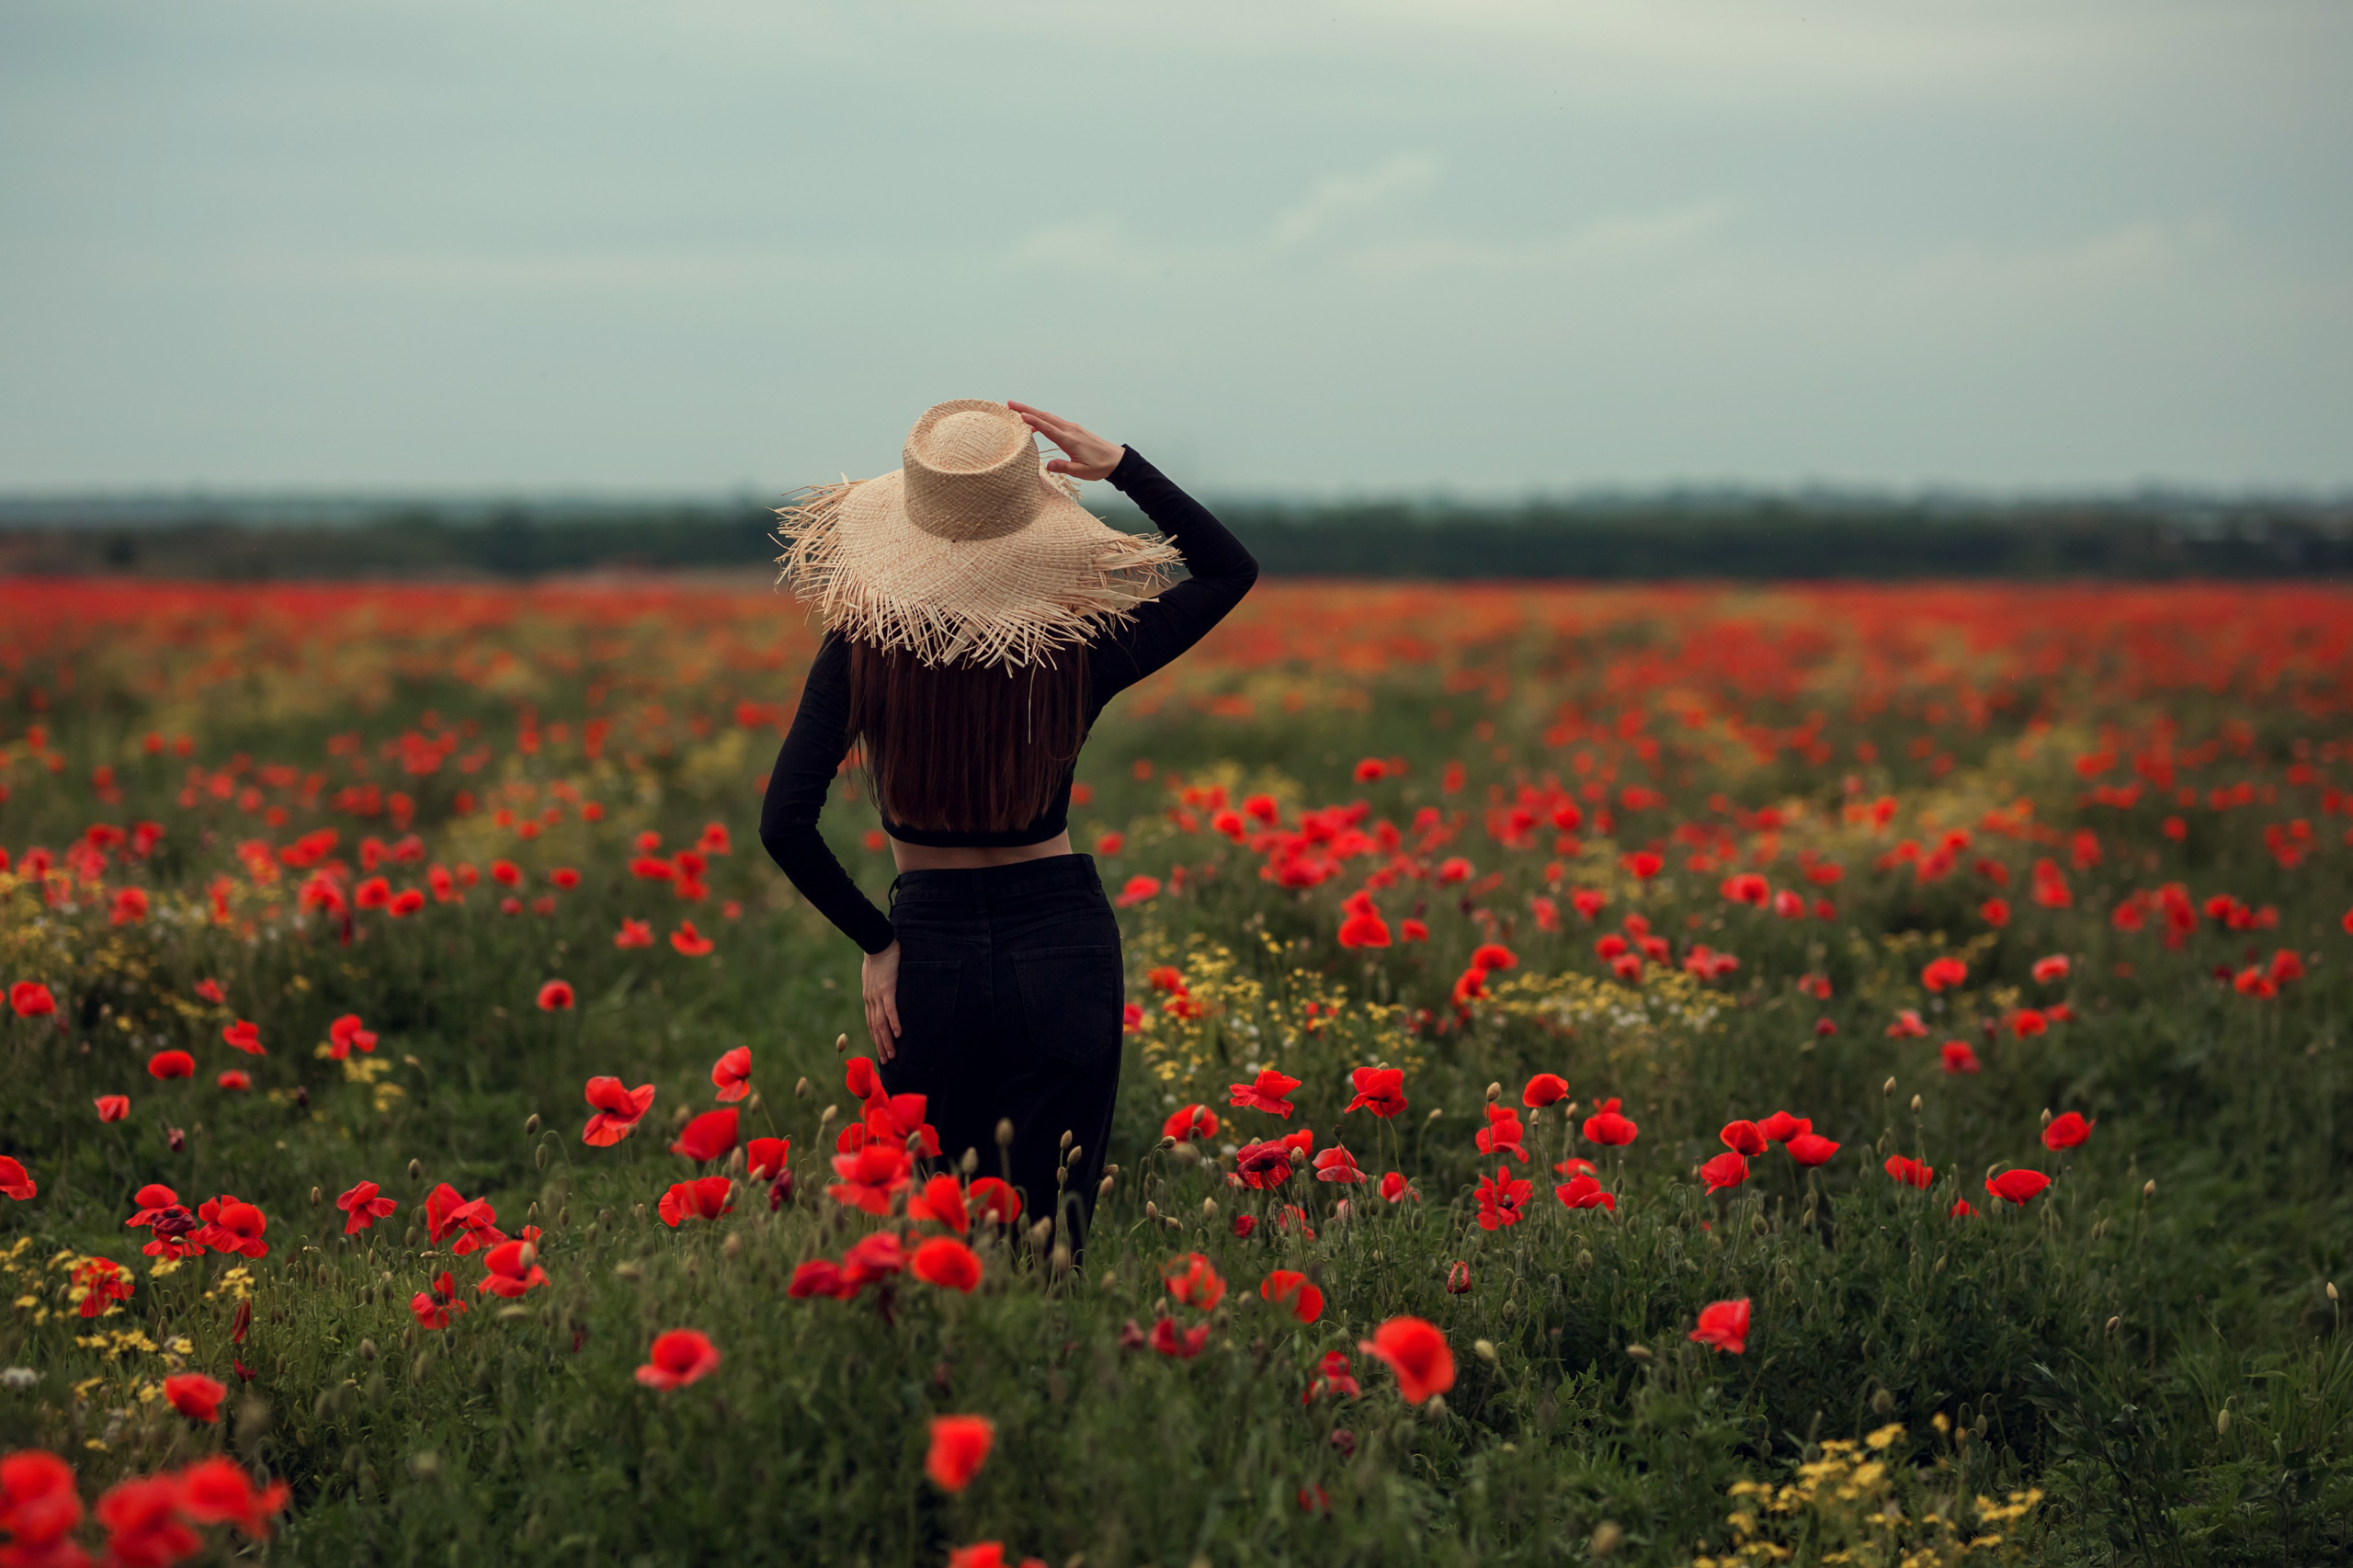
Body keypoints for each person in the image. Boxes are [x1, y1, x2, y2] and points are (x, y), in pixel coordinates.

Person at [758, 398, 1256, 1255]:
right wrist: (1124, 467)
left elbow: (785, 824)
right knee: (1051, 1235)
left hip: (930, 951)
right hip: (1062, 940)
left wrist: (878, 944)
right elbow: (1226, 570)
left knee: (947, 1241)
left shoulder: (861, 651)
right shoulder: (1077, 651)